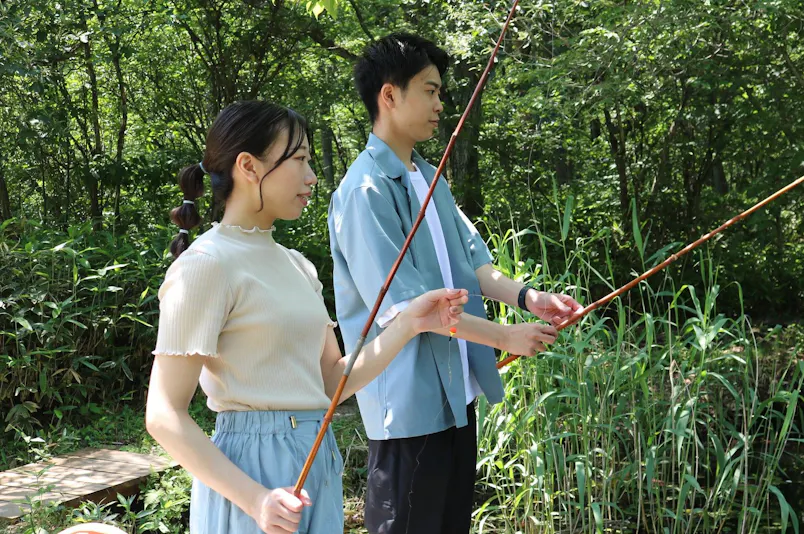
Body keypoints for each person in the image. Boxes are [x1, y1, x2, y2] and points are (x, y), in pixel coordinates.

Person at [145, 100, 469, 534]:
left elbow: (331, 382)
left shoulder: (297, 264)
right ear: (249, 166)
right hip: (250, 477)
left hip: (317, 461)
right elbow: (164, 413)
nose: (312, 176)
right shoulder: (206, 264)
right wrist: (255, 499)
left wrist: (410, 323)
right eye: (298, 159)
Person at [328, 33, 584, 533]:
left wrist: (530, 299)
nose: (440, 104)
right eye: (430, 91)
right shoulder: (364, 191)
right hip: (408, 409)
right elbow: (412, 312)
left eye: (440, 93)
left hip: (456, 397)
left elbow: (475, 264)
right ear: (389, 95)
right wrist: (504, 337)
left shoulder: (430, 176)